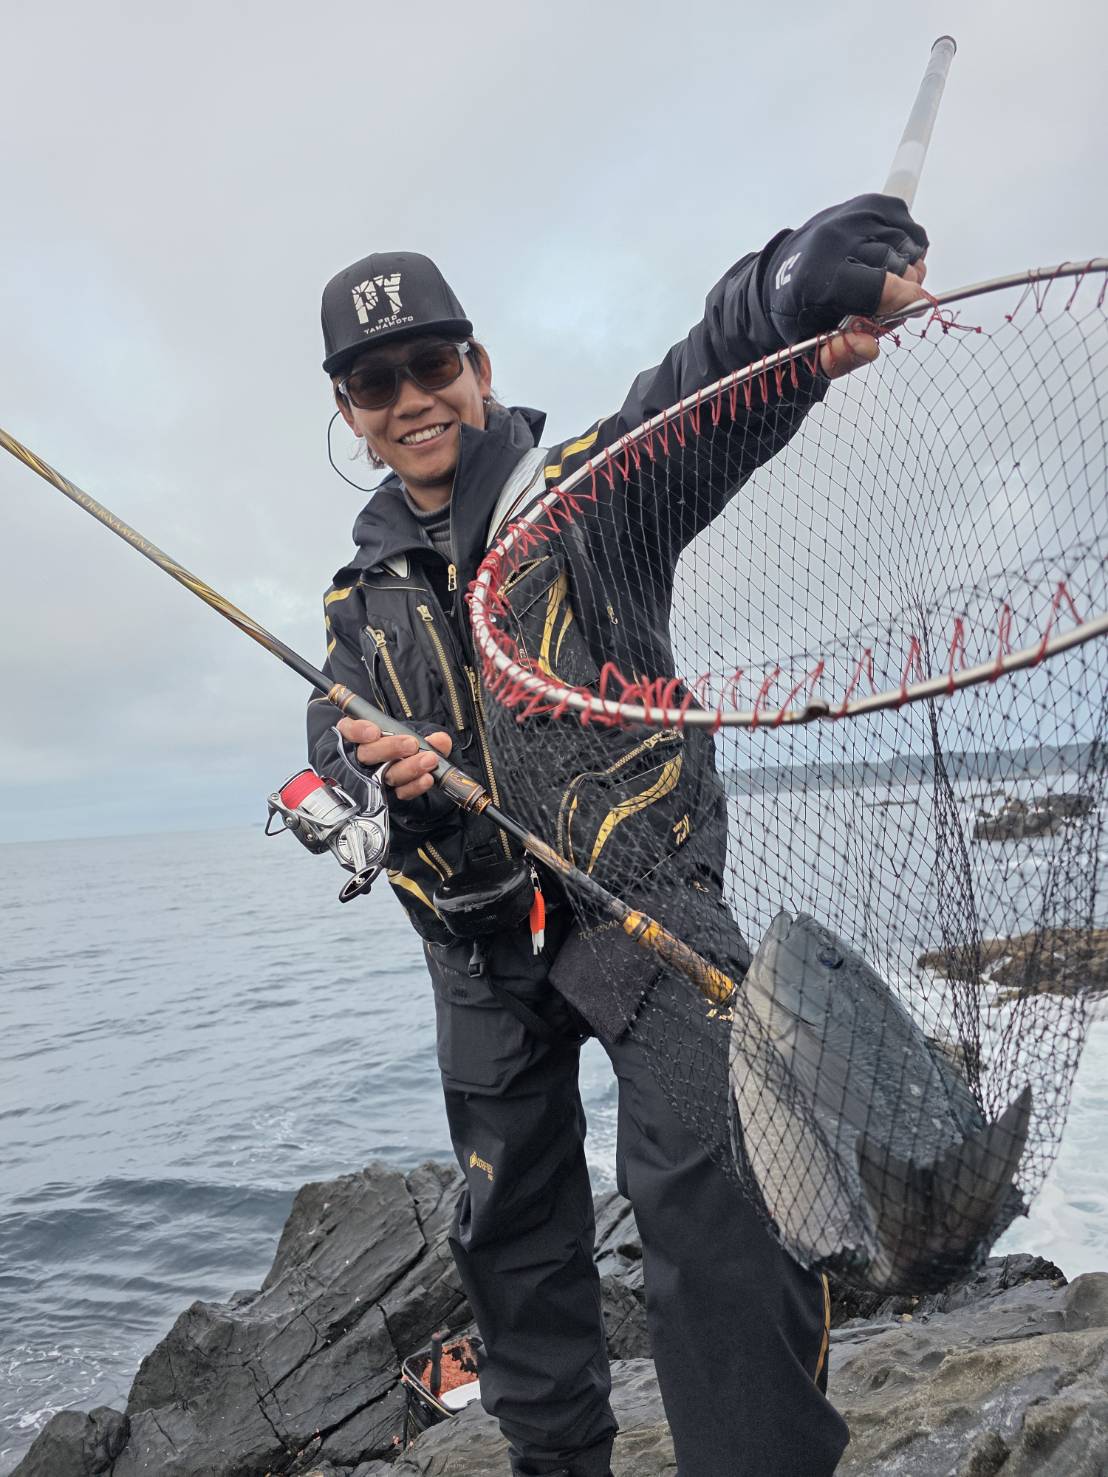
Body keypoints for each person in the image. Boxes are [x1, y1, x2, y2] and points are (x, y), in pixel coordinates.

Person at [307, 198, 928, 1477]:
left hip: (642, 903)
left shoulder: (583, 492)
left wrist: (785, 296)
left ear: (478, 367)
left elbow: (695, 403)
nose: (410, 398)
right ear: (349, 413)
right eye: (375, 383)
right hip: (477, 948)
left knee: (717, 1197)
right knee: (513, 1236)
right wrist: (385, 784)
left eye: (431, 363)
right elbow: (334, 746)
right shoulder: (354, 603)